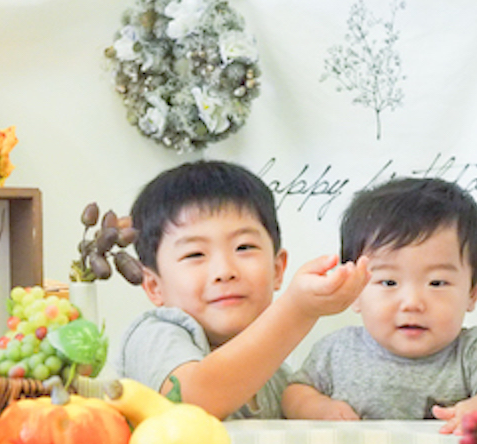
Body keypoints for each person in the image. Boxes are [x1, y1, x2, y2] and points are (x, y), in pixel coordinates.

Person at [115, 160, 369, 420]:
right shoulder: (153, 335)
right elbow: (192, 403)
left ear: (277, 269)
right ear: (154, 286)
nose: (224, 271)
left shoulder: (276, 375)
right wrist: (298, 310)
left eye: (244, 247)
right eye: (195, 254)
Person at [281, 177, 477, 432]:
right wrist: (318, 408)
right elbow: (294, 392)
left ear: (473, 292)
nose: (412, 303)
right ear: (354, 290)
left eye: (437, 283)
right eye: (389, 282)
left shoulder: (471, 354)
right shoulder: (336, 350)